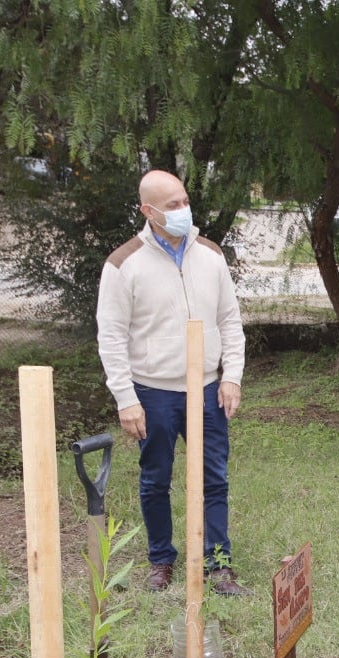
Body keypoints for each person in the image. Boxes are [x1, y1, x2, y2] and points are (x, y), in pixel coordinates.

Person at [96, 170, 251, 596]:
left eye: (184, 201)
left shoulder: (211, 255)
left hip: (207, 388)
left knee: (214, 478)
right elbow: (110, 336)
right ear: (148, 211)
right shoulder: (123, 264)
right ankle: (161, 559)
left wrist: (231, 377)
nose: (183, 211)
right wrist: (126, 399)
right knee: (155, 479)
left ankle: (218, 564)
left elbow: (229, 321)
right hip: (154, 391)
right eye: (172, 206)